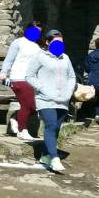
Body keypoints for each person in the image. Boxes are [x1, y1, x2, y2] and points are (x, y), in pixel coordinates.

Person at [25, 29, 76, 173]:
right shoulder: (40, 57)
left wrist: (69, 91)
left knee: (56, 128)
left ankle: (46, 155)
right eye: (56, 42)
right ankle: (54, 158)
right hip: (45, 98)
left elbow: (72, 77)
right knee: (51, 125)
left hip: (63, 99)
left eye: (61, 42)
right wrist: (42, 88)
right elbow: (29, 76)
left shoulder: (65, 58)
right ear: (47, 42)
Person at [0, 21, 43, 141]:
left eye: (39, 32)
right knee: (26, 106)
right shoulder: (18, 43)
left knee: (34, 108)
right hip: (18, 77)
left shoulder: (37, 47)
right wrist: (3, 73)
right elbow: (9, 59)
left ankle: (15, 118)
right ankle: (22, 131)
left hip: (31, 79)